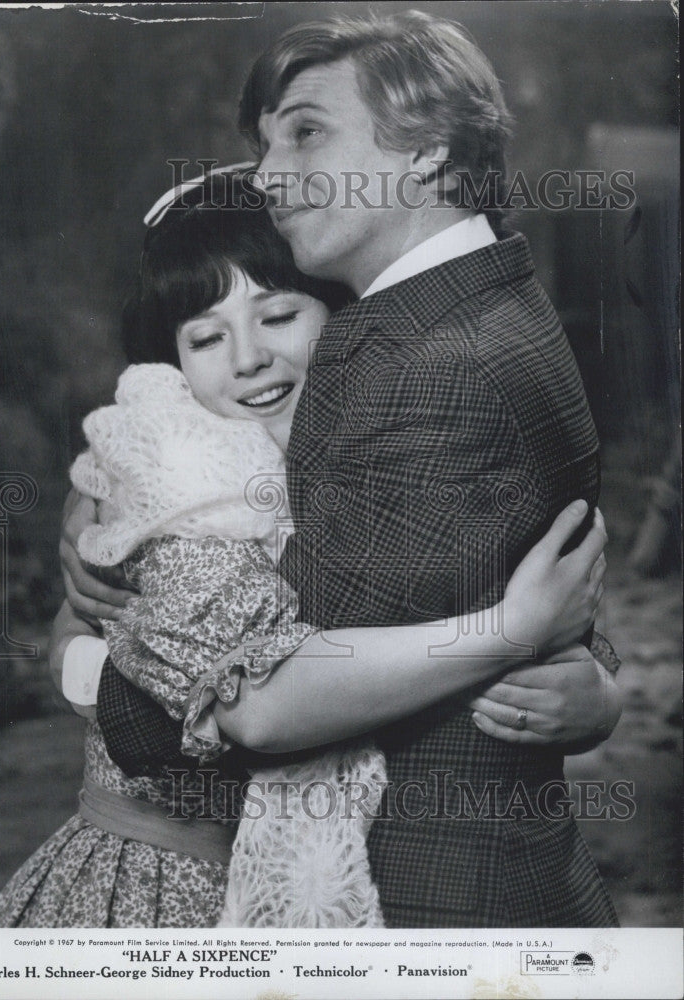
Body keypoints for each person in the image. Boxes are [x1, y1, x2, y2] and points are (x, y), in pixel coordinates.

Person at [59, 12, 622, 928]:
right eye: (265, 142)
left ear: (428, 150)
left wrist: (99, 669)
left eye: (307, 132)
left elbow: (270, 705)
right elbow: (455, 556)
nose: (270, 175)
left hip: (427, 897)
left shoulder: (431, 365)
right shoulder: (453, 314)